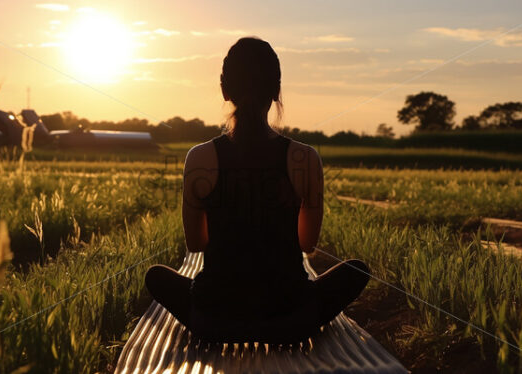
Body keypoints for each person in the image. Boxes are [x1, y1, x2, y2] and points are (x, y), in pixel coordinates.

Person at [144, 36, 370, 344]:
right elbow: (307, 244)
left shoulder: (199, 158)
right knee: (357, 271)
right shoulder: (305, 158)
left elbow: (196, 243)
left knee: (156, 277)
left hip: (214, 320)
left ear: (225, 91)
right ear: (276, 91)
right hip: (292, 319)